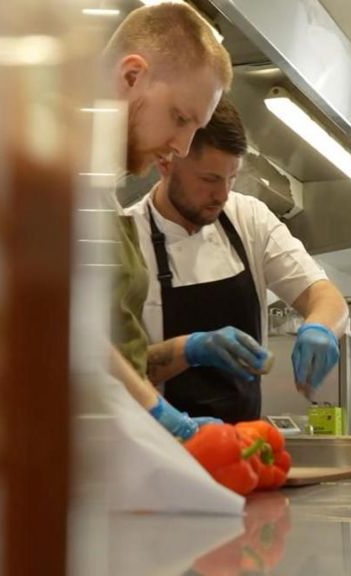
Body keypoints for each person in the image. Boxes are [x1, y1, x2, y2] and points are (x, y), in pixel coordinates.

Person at [126, 98, 349, 423]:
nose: (223, 194)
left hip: (245, 450)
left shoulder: (249, 218)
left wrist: (321, 328)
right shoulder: (126, 238)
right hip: (159, 451)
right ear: (166, 163)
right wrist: (189, 351)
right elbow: (113, 372)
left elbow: (325, 295)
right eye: (210, 179)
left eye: (232, 178)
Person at [96, 2, 233, 438]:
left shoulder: (101, 190)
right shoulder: (48, 173)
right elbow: (67, 333)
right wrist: (161, 416)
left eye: (197, 127)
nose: (182, 145)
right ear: (132, 76)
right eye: (179, 117)